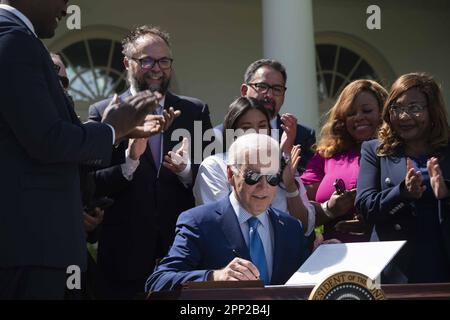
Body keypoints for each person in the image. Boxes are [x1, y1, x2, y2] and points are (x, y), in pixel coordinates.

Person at [0, 1, 160, 299]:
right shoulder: (14, 39)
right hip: (30, 250)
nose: (66, 7)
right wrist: (111, 128)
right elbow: (47, 140)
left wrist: (117, 133)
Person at [88, 25, 212, 299]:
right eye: (147, 60)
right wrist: (130, 162)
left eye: (164, 60)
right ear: (127, 63)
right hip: (124, 257)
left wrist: (186, 172)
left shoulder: (194, 111)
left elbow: (212, 181)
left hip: (182, 253)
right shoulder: (104, 113)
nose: (157, 68)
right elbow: (92, 184)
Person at [146, 133, 310, 291]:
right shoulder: (200, 222)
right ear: (231, 174)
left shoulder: (291, 228)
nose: (264, 186)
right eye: (253, 176)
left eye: (272, 177)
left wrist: (327, 255)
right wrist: (214, 277)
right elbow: (159, 281)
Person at [356, 73, 450, 283]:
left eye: (415, 108)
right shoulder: (375, 150)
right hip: (394, 270)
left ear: (432, 111)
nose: (404, 116)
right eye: (396, 108)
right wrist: (402, 192)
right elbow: (365, 207)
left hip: (441, 265)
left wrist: (445, 195)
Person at [194, 96, 316, 236]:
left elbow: (305, 228)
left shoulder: (281, 162)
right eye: (246, 128)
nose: (256, 133)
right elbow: (221, 223)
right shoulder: (215, 166)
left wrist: (289, 184)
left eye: (262, 125)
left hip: (283, 254)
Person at [301, 80, 388, 242]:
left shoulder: (395, 153)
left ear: (383, 113)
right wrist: (330, 209)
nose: (359, 117)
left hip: (384, 251)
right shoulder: (327, 155)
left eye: (367, 110)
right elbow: (298, 206)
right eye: (351, 113)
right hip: (337, 255)